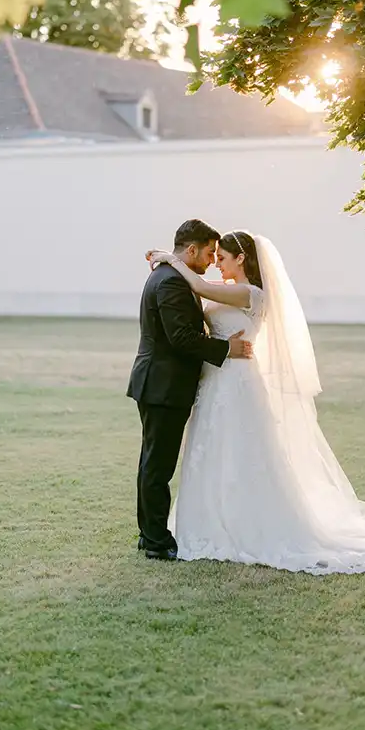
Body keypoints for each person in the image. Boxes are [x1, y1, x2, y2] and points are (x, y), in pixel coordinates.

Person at [146, 232, 365, 574]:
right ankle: (207, 523)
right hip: (215, 381)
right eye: (214, 257)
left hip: (239, 382)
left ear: (241, 259)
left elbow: (201, 289)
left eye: (222, 257)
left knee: (244, 453)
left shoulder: (251, 294)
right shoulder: (229, 290)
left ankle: (250, 526)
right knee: (212, 452)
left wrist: (171, 260)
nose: (216, 263)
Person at [127, 219, 253, 560]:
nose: (213, 259)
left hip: (163, 384)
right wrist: (226, 349)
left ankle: (148, 534)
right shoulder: (169, 282)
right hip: (162, 385)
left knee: (155, 463)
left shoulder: (173, 276)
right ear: (192, 250)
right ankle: (154, 541)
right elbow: (181, 338)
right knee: (158, 466)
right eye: (210, 252)